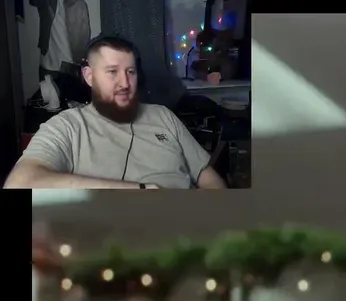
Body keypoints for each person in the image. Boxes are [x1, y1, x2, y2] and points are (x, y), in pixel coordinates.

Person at [4, 35, 226, 190]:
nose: (125, 83)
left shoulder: (163, 116)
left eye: (130, 72)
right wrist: (138, 190)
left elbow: (209, 179)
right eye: (112, 72)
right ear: (89, 76)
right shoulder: (67, 126)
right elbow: (19, 183)